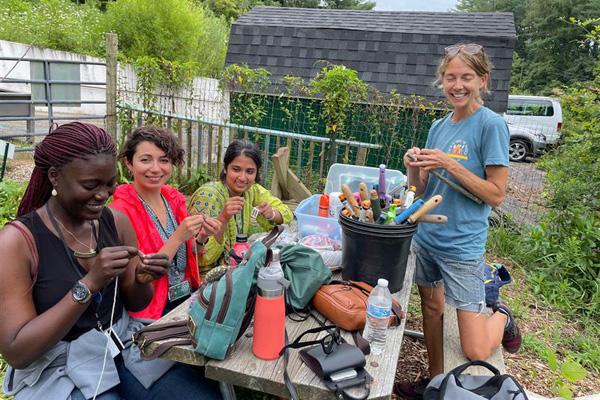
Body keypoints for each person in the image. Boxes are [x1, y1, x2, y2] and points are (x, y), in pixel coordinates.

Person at [0, 122, 221, 399]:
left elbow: (137, 302)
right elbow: (17, 351)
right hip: (61, 365)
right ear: (55, 176)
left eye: (109, 185)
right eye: (90, 185)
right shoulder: (17, 242)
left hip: (123, 345)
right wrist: (89, 285)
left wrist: (142, 279)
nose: (103, 195)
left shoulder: (115, 222)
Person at [397, 43, 521, 398]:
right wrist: (413, 165)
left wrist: (450, 163)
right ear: (442, 81)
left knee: (476, 350)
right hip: (427, 239)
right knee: (432, 311)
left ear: (482, 80)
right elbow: (419, 191)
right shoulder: (438, 127)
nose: (457, 85)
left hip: (462, 246)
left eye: (466, 77)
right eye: (450, 77)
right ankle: (436, 382)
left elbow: (496, 195)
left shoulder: (491, 125)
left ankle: (503, 317)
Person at [110, 126, 222, 319]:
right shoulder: (120, 212)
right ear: (129, 163)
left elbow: (186, 254)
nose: (155, 168)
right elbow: (140, 275)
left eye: (164, 160)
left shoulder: (173, 199)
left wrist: (202, 237)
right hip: (151, 309)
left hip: (186, 297)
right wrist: (178, 236)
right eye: (145, 160)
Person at [189, 139, 293, 272]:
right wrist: (223, 218)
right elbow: (200, 258)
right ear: (225, 168)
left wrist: (271, 213)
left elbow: (287, 214)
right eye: (236, 169)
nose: (243, 178)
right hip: (205, 278)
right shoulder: (208, 196)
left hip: (236, 269)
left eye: (249, 171)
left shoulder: (251, 191)